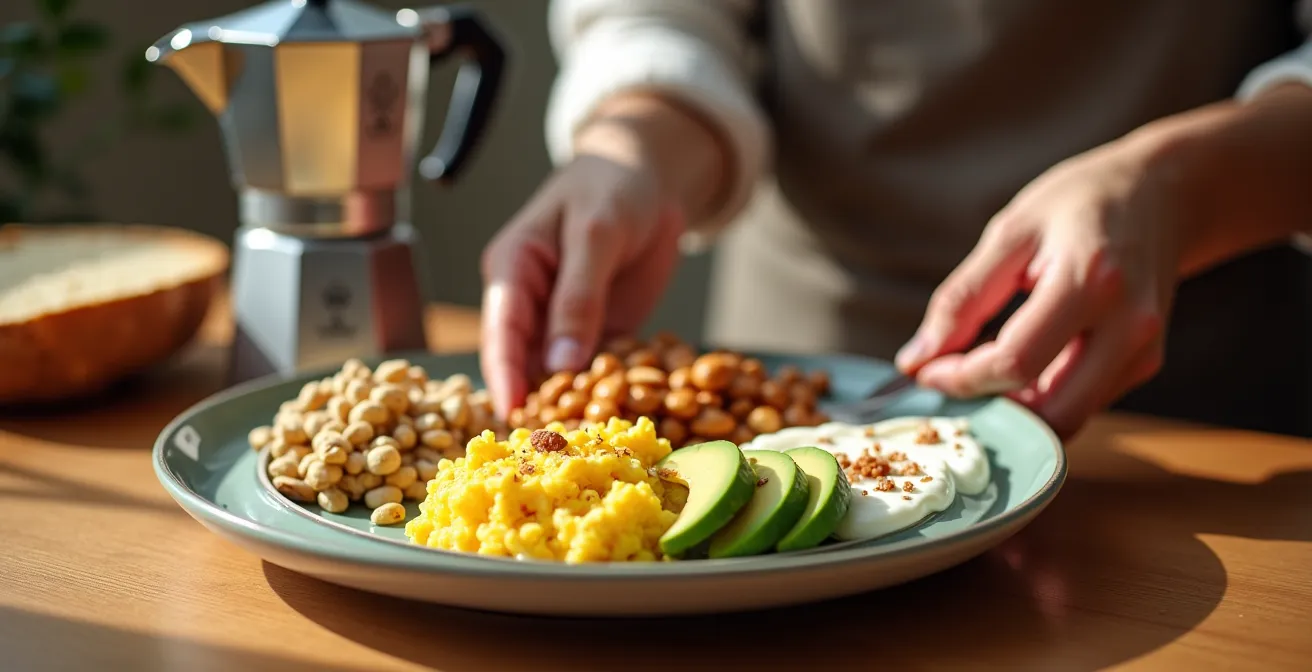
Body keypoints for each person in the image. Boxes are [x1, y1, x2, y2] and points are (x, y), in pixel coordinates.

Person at [479, 0, 1312, 439]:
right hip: (805, 362)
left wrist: (1174, 186)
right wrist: (637, 151)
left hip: (1202, 420)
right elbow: (665, 16)